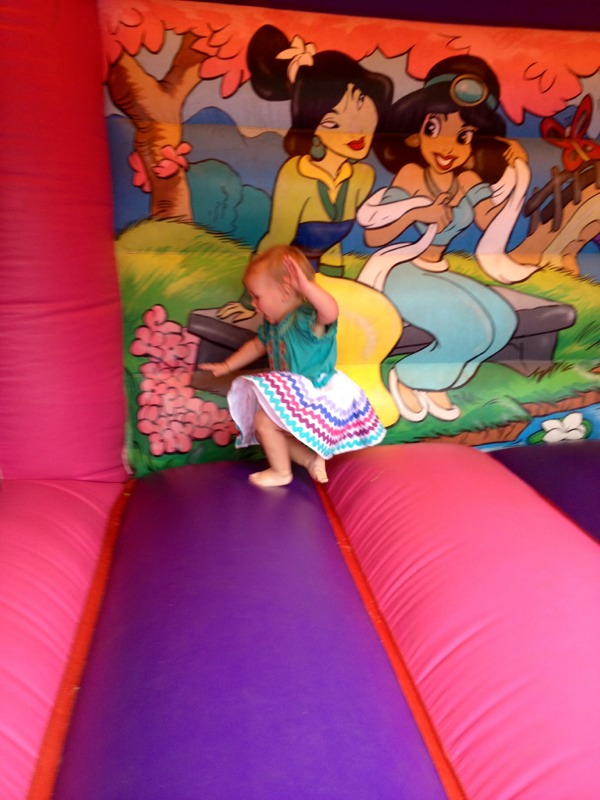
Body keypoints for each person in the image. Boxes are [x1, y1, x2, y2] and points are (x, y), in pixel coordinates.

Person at [216, 24, 402, 428]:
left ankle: (363, 405)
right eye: (333, 121)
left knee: (375, 314)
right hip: (297, 282)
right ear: (314, 128)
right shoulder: (296, 175)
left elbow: (335, 247)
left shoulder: (362, 177)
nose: (355, 127)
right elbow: (277, 239)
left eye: (360, 103)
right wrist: (255, 296)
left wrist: (334, 283)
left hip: (325, 283)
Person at [357, 54, 539, 422]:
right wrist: (415, 212)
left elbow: (489, 222)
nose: (448, 146)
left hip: (438, 271)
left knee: (503, 321)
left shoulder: (468, 180)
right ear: (416, 133)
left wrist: (519, 172)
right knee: (471, 329)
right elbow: (375, 236)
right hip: (401, 271)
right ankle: (409, 376)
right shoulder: (411, 175)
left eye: (463, 136)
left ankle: (438, 382)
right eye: (433, 128)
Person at [199, 245, 386, 487]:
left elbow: (330, 313)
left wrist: (306, 287)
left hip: (315, 393)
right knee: (263, 427)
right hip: (292, 395)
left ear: (286, 291)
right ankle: (309, 459)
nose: (253, 304)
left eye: (257, 296)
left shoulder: (305, 320)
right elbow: (256, 346)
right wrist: (227, 365)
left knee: (264, 423)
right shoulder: (272, 326)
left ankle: (281, 472)